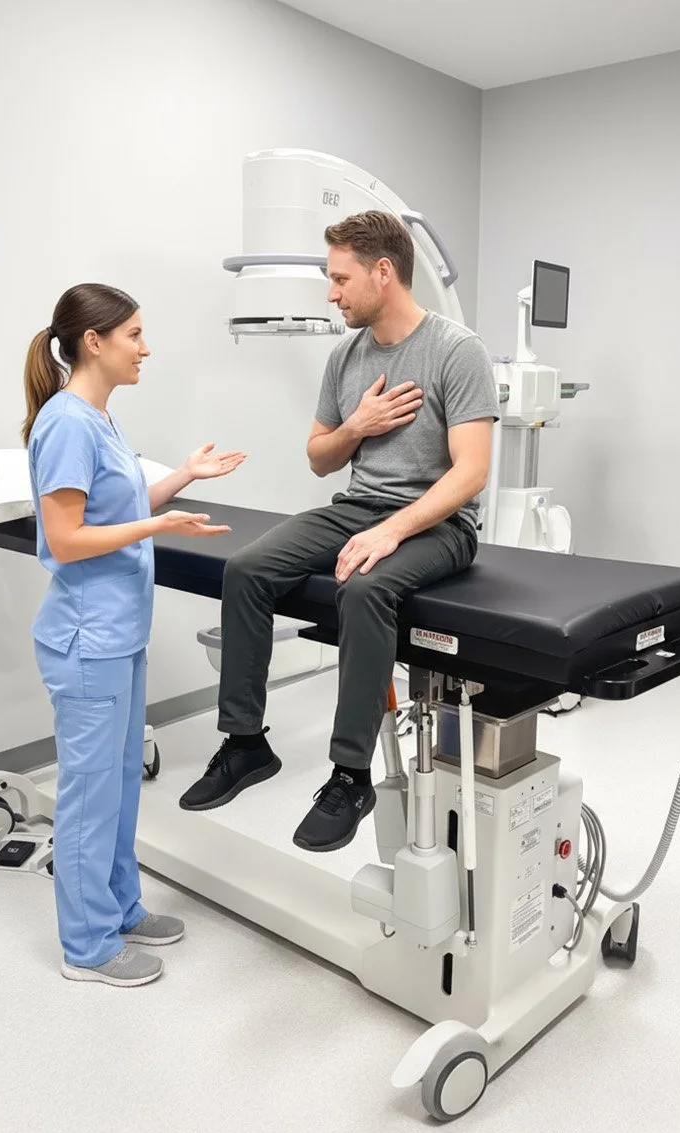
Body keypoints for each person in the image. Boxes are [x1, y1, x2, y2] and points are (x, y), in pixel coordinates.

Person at [179, 211, 499, 852]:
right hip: (358, 506)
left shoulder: (456, 351)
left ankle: (350, 776)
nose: (331, 293)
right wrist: (358, 425)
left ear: (384, 272)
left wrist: (394, 532)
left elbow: (471, 474)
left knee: (362, 590)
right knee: (246, 570)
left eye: (339, 278)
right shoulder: (346, 355)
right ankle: (245, 744)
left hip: (441, 522)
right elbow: (320, 457)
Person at [23, 283, 245, 987]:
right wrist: (156, 527)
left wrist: (181, 478)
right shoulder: (65, 423)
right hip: (87, 640)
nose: (146, 348)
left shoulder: (99, 419)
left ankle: (118, 908)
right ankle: (86, 947)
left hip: (118, 636)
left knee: (118, 783)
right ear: (95, 342)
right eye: (135, 335)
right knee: (89, 795)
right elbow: (65, 537)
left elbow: (114, 505)